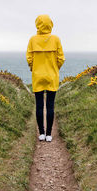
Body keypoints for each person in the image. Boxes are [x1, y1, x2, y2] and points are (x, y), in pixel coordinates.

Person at [26, 14, 65, 142]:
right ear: (50, 24)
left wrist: (33, 68)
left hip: (37, 75)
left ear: (37, 24)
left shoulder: (33, 40)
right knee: (50, 106)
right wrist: (55, 68)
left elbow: (29, 58)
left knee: (38, 106)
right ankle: (49, 134)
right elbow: (61, 59)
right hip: (52, 75)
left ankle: (41, 133)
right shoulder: (56, 39)